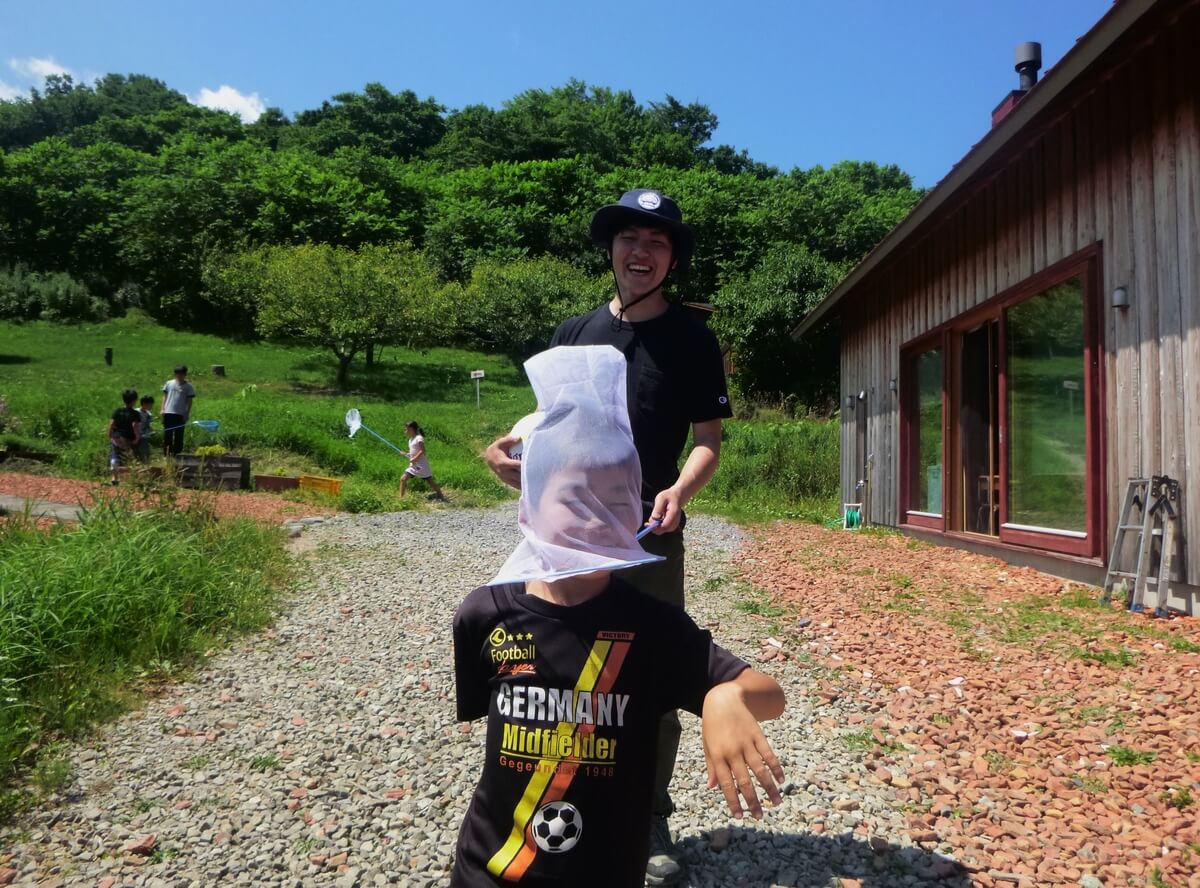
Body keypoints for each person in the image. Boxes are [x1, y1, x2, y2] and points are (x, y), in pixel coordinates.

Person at [454, 346, 783, 887]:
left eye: (612, 493)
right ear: (530, 501)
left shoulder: (653, 629)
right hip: (488, 871)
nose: (593, 510)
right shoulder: (484, 614)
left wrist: (726, 694)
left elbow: (771, 693)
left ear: (637, 505)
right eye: (570, 492)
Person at [483, 188, 732, 884]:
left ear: (672, 260)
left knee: (650, 670)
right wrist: (510, 451)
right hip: (570, 531)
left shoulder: (690, 338)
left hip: (649, 534)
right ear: (612, 250)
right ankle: (565, 794)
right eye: (629, 238)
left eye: (657, 243)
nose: (641, 252)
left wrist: (681, 491)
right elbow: (545, 425)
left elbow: (708, 440)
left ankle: (649, 813)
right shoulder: (573, 332)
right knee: (561, 667)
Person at [399, 421, 445, 500]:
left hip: (421, 466)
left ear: (411, 429)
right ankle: (401, 498)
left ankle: (440, 495)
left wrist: (415, 458)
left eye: (406, 429)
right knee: (403, 479)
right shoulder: (410, 440)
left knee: (430, 481)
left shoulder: (419, 438)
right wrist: (406, 454)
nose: (405, 431)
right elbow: (413, 453)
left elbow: (423, 451)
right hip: (414, 465)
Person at [107, 388, 142, 485]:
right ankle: (130, 478)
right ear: (134, 401)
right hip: (127, 438)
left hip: (116, 437)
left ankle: (114, 477)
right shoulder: (135, 413)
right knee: (129, 458)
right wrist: (137, 437)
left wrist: (109, 435)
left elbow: (111, 424)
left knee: (115, 456)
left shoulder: (117, 411)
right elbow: (135, 426)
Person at [161, 365, 195, 457]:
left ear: (185, 374)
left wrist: (187, 413)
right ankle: (167, 455)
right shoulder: (169, 383)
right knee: (167, 435)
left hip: (180, 414)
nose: (179, 376)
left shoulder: (188, 387)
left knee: (179, 436)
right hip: (168, 413)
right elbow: (165, 396)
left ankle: (177, 455)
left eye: (181, 374)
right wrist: (162, 409)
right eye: (177, 374)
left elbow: (189, 401)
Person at [135, 395, 154, 462]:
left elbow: (148, 425)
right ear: (144, 404)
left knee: (145, 452)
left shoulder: (149, 414)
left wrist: (152, 430)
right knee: (135, 452)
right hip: (135, 435)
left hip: (144, 436)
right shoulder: (136, 412)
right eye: (150, 404)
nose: (151, 406)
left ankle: (146, 463)